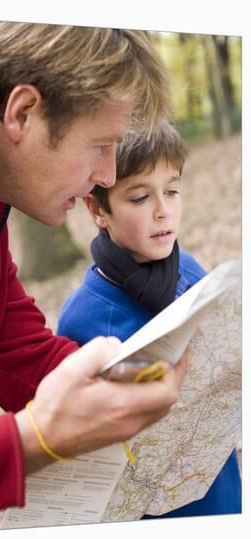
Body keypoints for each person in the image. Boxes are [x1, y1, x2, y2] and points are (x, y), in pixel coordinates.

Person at [0, 20, 189, 528]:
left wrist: (134, 383)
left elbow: (21, 351)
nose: (109, 176)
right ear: (23, 113)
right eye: (101, 145)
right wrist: (37, 437)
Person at [57, 120, 241, 517]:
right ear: (97, 209)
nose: (163, 211)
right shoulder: (82, 319)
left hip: (221, 496)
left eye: (172, 191)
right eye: (140, 197)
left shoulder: (190, 271)